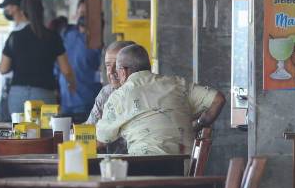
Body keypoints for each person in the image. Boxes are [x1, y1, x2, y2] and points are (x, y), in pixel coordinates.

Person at [95, 44, 226, 155]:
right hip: (183, 173)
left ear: (123, 72)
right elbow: (218, 100)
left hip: (143, 175)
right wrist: (198, 125)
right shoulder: (177, 84)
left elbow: (102, 138)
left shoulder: (120, 96)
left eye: (117, 72)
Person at [0, 0, 76, 116]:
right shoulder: (53, 37)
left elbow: (3, 69)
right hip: (44, 94)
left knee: (19, 133)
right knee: (46, 133)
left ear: (23, 12)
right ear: (42, 12)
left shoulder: (14, 37)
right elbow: (66, 70)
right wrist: (72, 84)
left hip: (18, 94)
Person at [57, 16, 102, 118]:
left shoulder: (67, 37)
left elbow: (57, 66)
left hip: (66, 98)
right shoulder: (94, 43)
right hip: (85, 99)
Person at [85, 40, 136, 125]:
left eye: (117, 65)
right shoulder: (106, 93)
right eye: (108, 65)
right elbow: (90, 127)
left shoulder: (142, 94)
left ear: (133, 66)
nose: (111, 71)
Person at [0, 0, 28, 122]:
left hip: (15, 86)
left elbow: (4, 68)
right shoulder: (19, 29)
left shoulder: (19, 32)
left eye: (6, 6)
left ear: (15, 7)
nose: (5, 10)